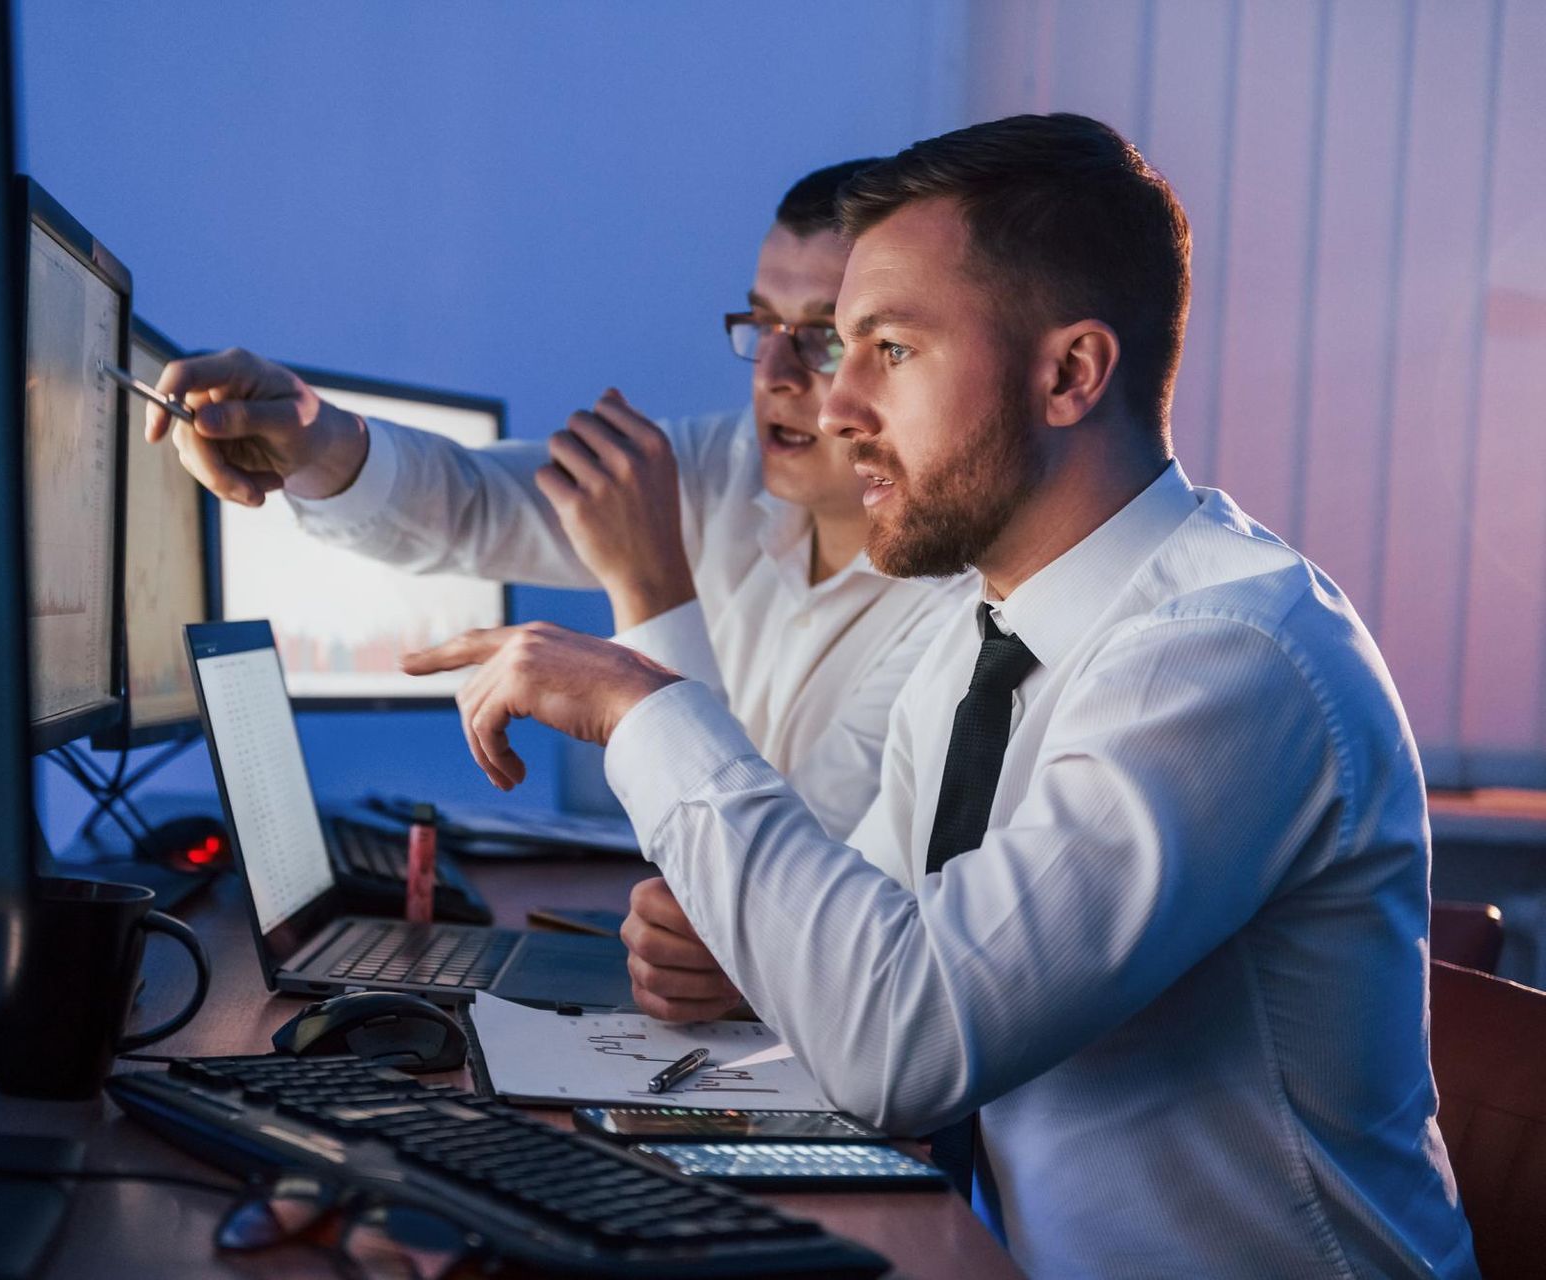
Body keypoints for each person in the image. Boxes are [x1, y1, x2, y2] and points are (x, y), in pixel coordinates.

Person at [401, 114, 1478, 1278]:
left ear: (1069, 372)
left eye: (890, 350)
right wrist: (753, 959)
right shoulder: (990, 636)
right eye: (838, 348)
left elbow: (901, 1037)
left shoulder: (1228, 656)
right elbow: (870, 942)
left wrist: (639, 705)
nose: (831, 406)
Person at [145, 160, 974, 841]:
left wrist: (650, 581)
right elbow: (476, 506)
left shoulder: (962, 599)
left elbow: (792, 896)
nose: (774, 375)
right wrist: (316, 434)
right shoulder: (723, 463)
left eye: (824, 336)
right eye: (761, 326)